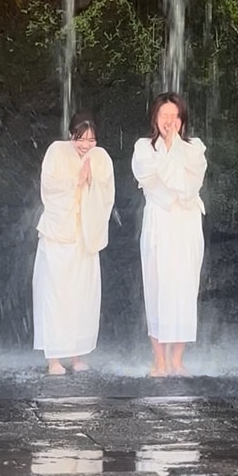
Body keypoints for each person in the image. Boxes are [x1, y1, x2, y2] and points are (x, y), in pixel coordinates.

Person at [31, 112, 115, 376]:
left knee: (83, 294)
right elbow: (48, 188)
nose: (85, 145)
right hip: (58, 235)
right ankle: (54, 358)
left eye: (91, 139)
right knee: (55, 294)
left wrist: (92, 182)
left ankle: (78, 355)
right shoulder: (56, 151)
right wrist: (75, 181)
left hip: (85, 236)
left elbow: (107, 194)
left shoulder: (101, 157)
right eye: (80, 138)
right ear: (71, 135)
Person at [131, 92, 207, 377]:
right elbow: (149, 180)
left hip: (186, 223)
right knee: (157, 286)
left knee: (184, 288)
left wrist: (174, 151)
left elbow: (191, 184)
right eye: (164, 115)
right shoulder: (143, 147)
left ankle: (177, 359)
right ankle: (159, 360)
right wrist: (169, 157)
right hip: (159, 222)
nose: (169, 121)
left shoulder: (194, 147)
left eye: (174, 116)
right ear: (155, 118)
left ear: (182, 119)